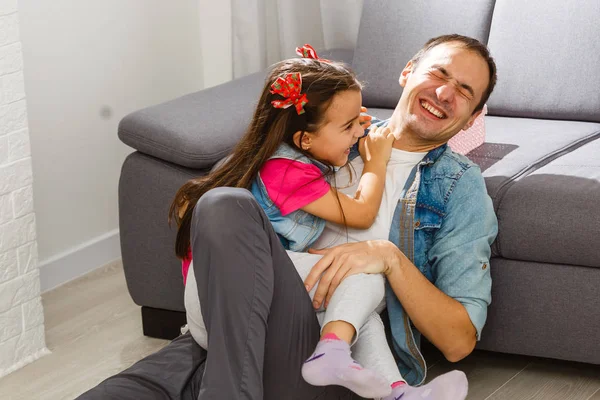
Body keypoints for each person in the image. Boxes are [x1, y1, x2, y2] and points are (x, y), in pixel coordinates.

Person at [77, 34, 497, 400]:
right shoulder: (331, 127)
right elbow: (229, 194)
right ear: (408, 71)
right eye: (439, 73)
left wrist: (387, 257)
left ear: (473, 117)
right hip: (227, 334)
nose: (445, 93)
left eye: (464, 91)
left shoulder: (458, 186)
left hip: (331, 359)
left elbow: (458, 342)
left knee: (225, 206)